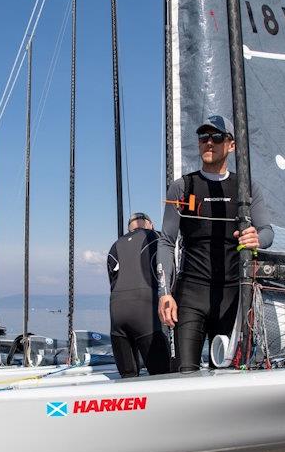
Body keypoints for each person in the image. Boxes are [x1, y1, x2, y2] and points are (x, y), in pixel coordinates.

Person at [157, 114, 273, 373]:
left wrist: (257, 239)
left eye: (217, 137)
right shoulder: (182, 187)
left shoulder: (247, 187)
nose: (208, 143)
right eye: (203, 137)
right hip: (191, 295)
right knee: (185, 372)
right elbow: (166, 241)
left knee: (230, 375)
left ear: (231, 145)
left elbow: (267, 232)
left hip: (233, 298)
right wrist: (164, 293)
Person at [107, 212, 171, 378]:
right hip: (145, 313)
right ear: (149, 224)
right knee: (161, 375)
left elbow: (112, 281)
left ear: (130, 227)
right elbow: (168, 273)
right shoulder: (157, 238)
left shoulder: (115, 245)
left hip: (117, 315)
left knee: (128, 376)